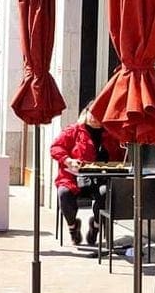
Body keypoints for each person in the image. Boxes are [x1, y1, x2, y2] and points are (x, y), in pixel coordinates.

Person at [50, 102, 125, 245]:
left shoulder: (110, 134)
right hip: (73, 177)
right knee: (64, 194)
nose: (94, 118)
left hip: (101, 179)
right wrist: (68, 160)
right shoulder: (74, 130)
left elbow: (119, 156)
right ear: (86, 112)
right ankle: (73, 227)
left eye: (99, 114)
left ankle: (95, 227)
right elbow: (55, 147)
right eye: (92, 113)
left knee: (106, 194)